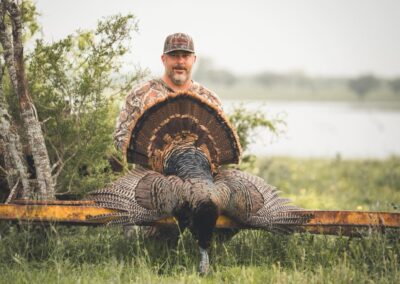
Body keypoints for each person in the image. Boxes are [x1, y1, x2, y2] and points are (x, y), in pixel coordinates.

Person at [113, 32, 223, 152]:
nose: (180, 61)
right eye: (174, 55)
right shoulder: (140, 95)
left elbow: (220, 145)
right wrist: (151, 154)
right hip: (150, 170)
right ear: (163, 59)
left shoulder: (210, 99)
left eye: (185, 56)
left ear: (194, 59)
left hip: (197, 169)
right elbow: (120, 137)